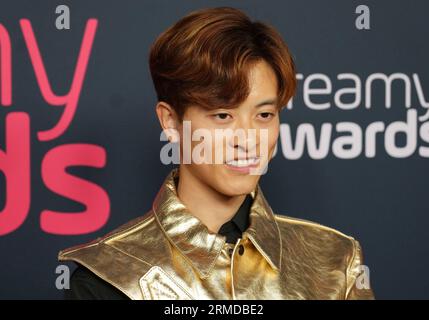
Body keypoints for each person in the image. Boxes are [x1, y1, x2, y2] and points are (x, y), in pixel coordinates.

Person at [58, 6, 374, 300]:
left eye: (264, 115)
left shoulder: (336, 263)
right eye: (223, 115)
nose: (248, 140)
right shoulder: (107, 276)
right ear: (171, 121)